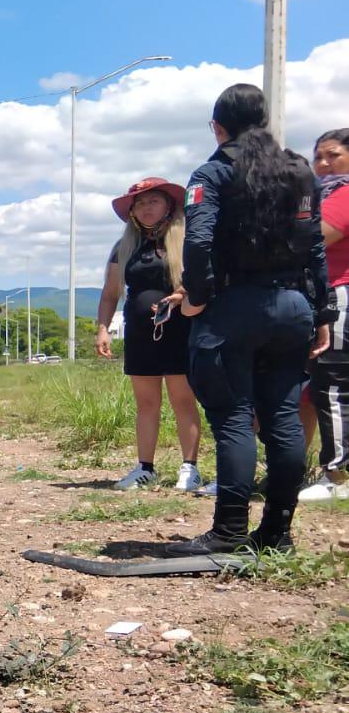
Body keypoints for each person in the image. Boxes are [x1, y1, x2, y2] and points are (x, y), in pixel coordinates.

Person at [167, 84, 333, 556]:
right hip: (292, 307)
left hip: (234, 307)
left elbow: (198, 242)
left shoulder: (214, 172)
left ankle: (229, 531)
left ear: (218, 127)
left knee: (234, 419)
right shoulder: (300, 171)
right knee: (282, 416)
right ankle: (277, 531)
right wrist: (323, 311)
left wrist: (197, 296)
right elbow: (315, 247)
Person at [94, 177, 205, 491]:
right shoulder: (124, 247)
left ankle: (190, 467)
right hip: (141, 332)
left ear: (169, 205)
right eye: (140, 203)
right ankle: (145, 467)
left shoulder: (186, 239)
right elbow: (109, 293)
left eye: (153, 201)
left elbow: (203, 278)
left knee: (183, 400)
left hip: (181, 329)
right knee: (146, 403)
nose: (146, 208)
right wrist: (103, 328)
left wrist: (181, 294)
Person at [300, 128, 349, 503]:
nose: (322, 163)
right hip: (322, 293)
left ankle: (337, 474)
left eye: (332, 155)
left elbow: (315, 236)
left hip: (338, 293)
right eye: (318, 156)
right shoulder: (324, 194)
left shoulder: (343, 195)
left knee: (332, 380)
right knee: (319, 385)